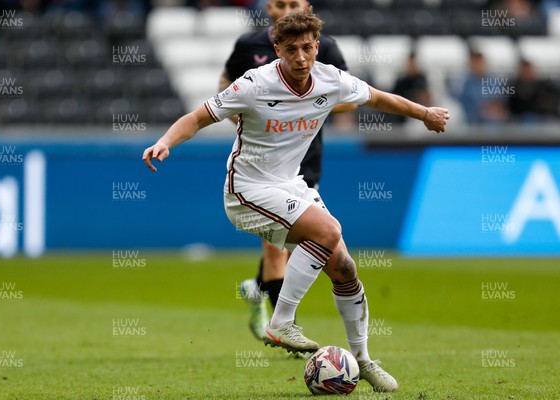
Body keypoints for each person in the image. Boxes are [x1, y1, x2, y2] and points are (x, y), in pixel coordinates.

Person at [143, 10, 448, 392]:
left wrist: (424, 114)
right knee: (328, 230)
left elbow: (377, 98)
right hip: (247, 189)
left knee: (344, 268)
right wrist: (164, 142)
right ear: (277, 50)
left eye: (307, 48)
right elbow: (198, 117)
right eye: (291, 50)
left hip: (292, 185)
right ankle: (280, 320)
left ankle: (364, 361)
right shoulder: (254, 84)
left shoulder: (329, 79)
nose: (301, 57)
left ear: (317, 47)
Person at [219, 0, 357, 342]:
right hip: (264, 160)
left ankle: (261, 292)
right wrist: (248, 115)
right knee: (277, 244)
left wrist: (304, 105)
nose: (286, 10)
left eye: (293, 4)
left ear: (307, 7)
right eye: (280, 4)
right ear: (269, 9)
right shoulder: (249, 46)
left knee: (302, 242)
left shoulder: (325, 48)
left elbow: (351, 97)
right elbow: (224, 86)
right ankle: (282, 329)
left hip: (304, 159)